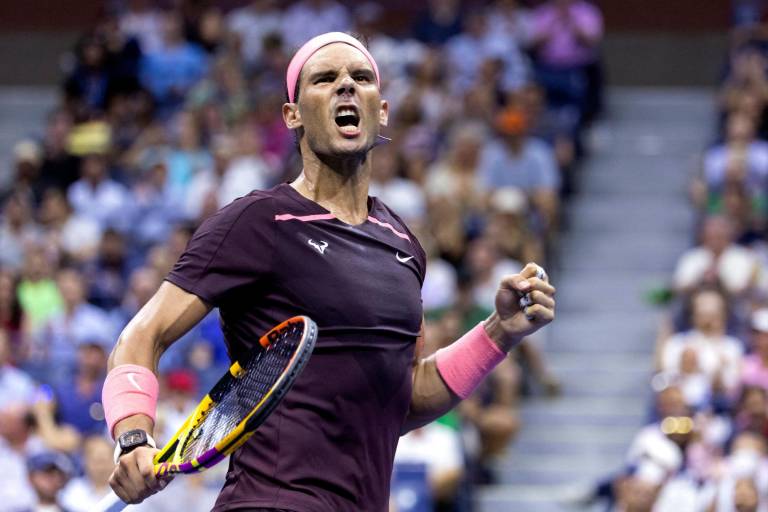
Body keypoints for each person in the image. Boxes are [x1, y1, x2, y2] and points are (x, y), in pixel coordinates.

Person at [104, 32, 555, 510]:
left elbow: (401, 400)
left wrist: (497, 333)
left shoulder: (404, 245)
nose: (345, 86)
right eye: (324, 79)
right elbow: (141, 336)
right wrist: (133, 436)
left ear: (380, 111)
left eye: (360, 78)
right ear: (292, 114)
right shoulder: (258, 221)